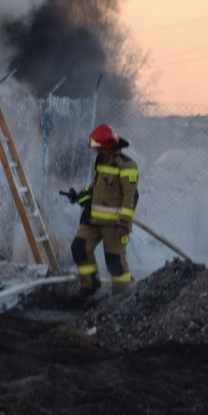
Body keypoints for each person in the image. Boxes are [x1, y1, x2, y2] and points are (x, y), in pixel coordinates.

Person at [66, 123, 139, 296]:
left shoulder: (127, 166)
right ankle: (89, 287)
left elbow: (131, 197)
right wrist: (80, 196)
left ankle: (122, 297)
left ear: (108, 146)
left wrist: (123, 224)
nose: (96, 152)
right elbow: (97, 189)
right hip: (93, 220)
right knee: (79, 247)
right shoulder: (100, 161)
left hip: (114, 225)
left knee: (115, 262)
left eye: (99, 149)